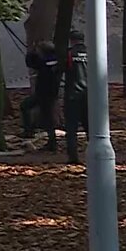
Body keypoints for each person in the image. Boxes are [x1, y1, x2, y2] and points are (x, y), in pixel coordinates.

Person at [19, 40, 60, 151]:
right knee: (44, 115)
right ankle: (30, 130)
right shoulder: (55, 60)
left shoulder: (43, 62)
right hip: (51, 92)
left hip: (43, 93)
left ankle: (51, 142)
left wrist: (31, 51)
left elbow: (30, 62)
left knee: (46, 118)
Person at [64, 29, 89, 164]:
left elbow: (60, 69)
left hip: (73, 94)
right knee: (89, 127)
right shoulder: (92, 51)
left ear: (71, 40)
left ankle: (73, 156)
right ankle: (94, 153)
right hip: (89, 94)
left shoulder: (69, 53)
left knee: (71, 127)